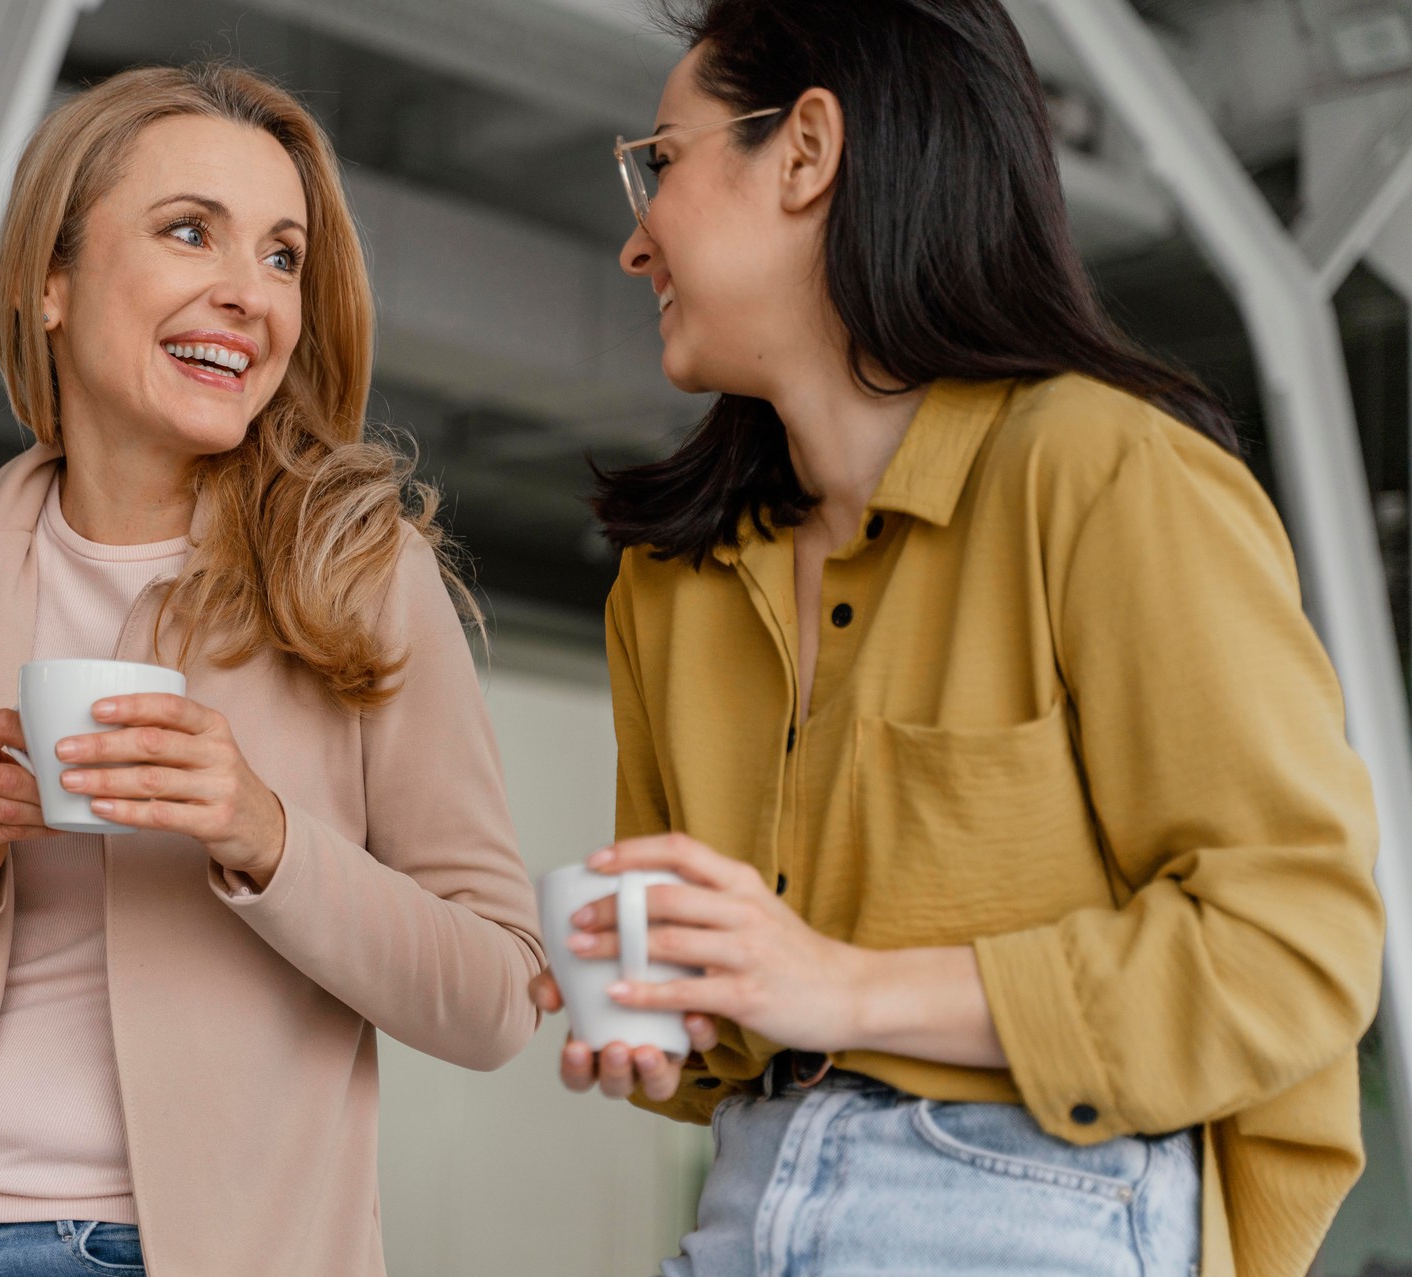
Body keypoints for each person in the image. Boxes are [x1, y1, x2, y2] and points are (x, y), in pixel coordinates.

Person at [529, 3, 1386, 1274]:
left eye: (660, 158)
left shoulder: (1105, 476)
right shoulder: (668, 588)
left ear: (806, 150)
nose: (633, 240)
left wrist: (836, 985)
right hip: (747, 1200)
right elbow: (738, 1041)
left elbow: (1291, 949)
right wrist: (670, 1011)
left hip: (1039, 1197)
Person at [0, 63, 544, 1277]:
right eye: (190, 231)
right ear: (52, 281)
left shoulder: (358, 566)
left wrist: (263, 832)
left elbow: (495, 996)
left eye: (280, 257)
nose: (247, 295)